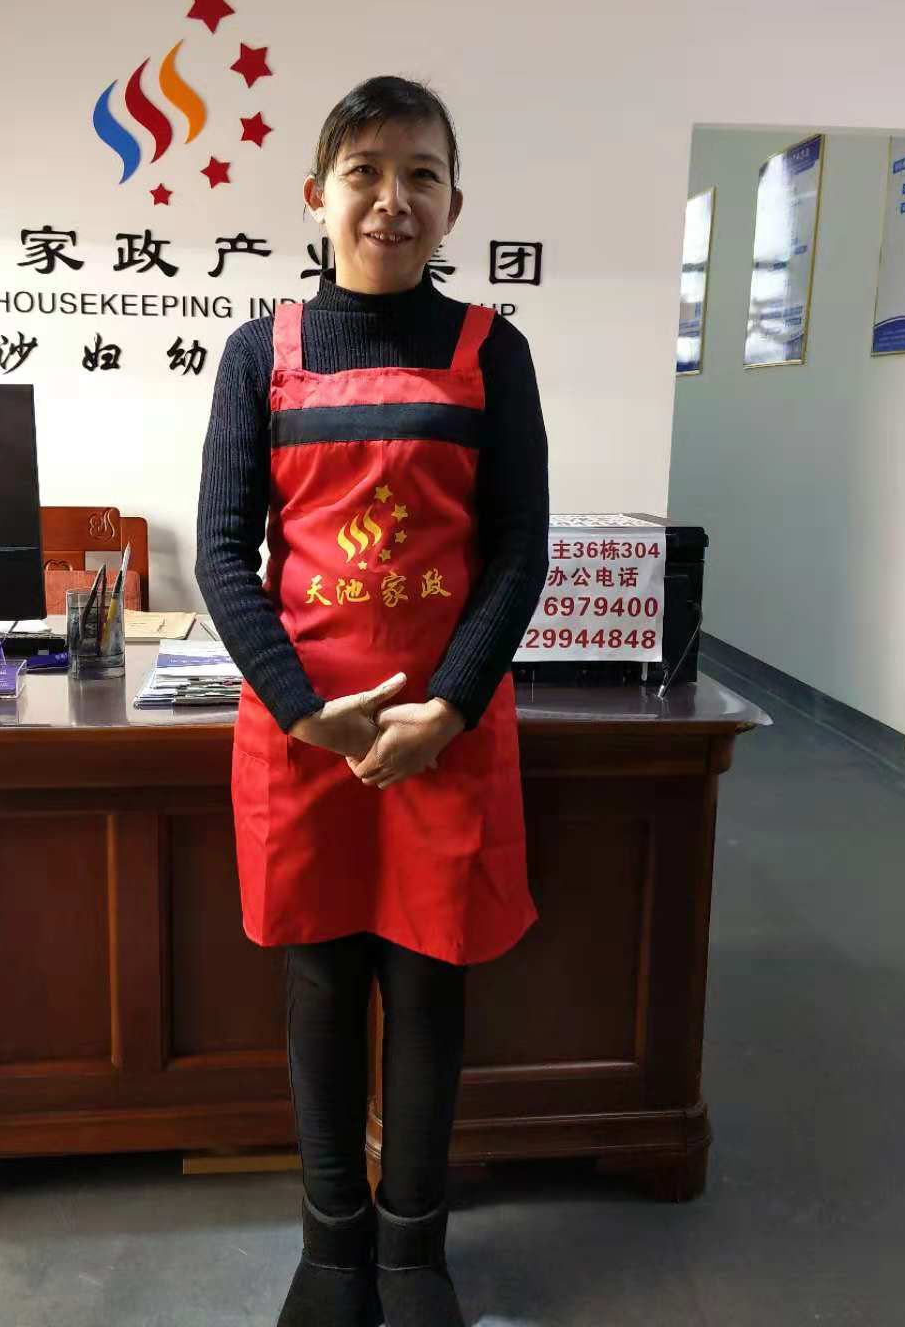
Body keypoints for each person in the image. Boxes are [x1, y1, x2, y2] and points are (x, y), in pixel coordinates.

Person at [195, 75, 549, 1327]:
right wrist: (305, 709)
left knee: (431, 988)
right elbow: (221, 549)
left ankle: (414, 1252)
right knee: (323, 990)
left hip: (445, 737)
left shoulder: (491, 352)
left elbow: (519, 549)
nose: (392, 199)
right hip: (306, 739)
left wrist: (446, 707)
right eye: (365, 172)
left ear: (454, 204)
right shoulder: (261, 354)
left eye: (421, 175)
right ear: (318, 194)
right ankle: (331, 1247)